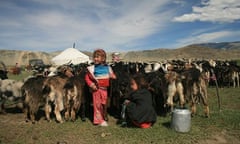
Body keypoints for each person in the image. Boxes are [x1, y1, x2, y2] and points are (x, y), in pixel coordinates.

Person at [85, 49, 116, 126]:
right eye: (94, 57)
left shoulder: (107, 67)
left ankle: (101, 117)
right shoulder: (92, 68)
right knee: (97, 105)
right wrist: (91, 84)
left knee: (103, 104)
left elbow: (111, 74)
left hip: (104, 89)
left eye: (97, 57)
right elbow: (87, 77)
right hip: (97, 89)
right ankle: (98, 121)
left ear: (103, 58)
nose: (95, 59)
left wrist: (113, 76)